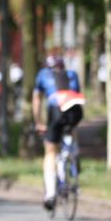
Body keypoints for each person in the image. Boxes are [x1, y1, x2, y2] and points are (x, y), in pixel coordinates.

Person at [32, 54, 86, 212]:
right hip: (75, 110)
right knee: (70, 128)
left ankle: (50, 194)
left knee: (50, 151)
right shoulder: (72, 74)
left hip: (56, 111)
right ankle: (74, 154)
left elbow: (37, 100)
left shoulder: (43, 75)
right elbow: (77, 95)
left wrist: (38, 122)